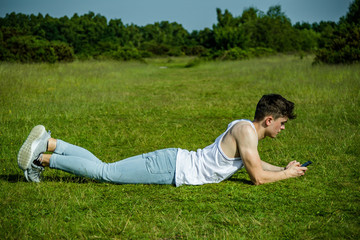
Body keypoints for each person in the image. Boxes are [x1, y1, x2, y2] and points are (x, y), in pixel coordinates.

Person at [17, 94, 308, 186]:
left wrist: (282, 167)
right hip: (171, 167)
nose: (282, 128)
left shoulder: (245, 130)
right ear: (269, 120)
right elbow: (256, 176)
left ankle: (51, 143)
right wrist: (285, 174)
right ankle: (42, 158)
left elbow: (254, 163)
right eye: (282, 123)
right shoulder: (246, 131)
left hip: (172, 162)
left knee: (107, 168)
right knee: (107, 173)